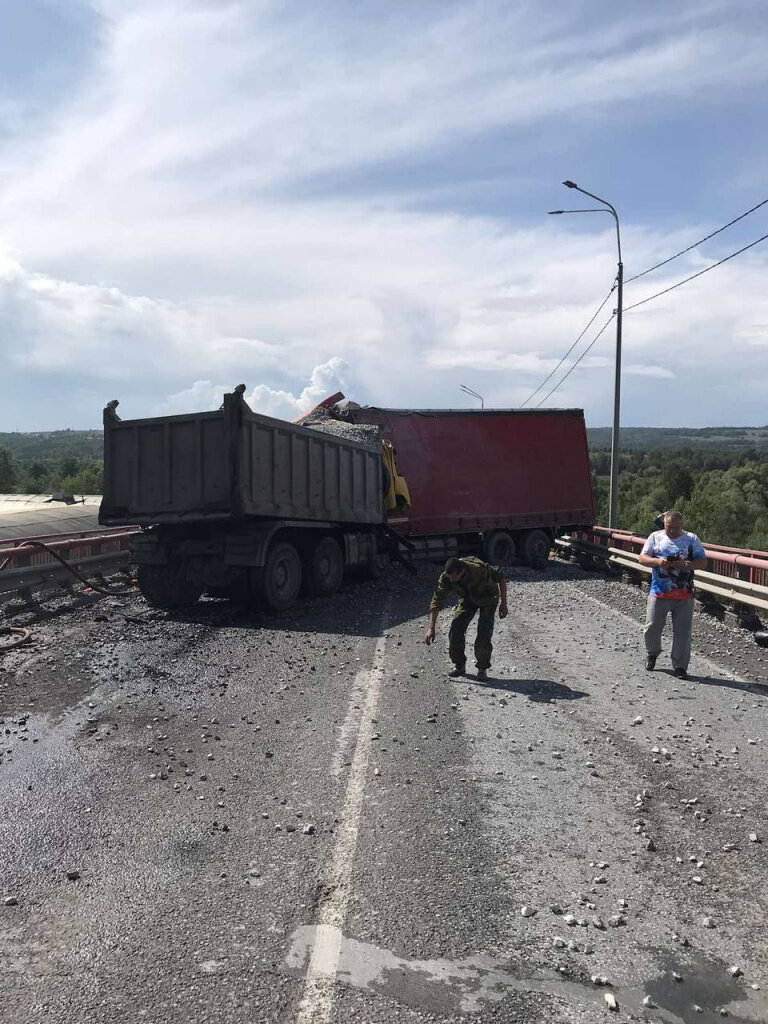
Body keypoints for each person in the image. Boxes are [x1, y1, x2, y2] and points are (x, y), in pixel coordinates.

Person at [638, 510, 707, 679]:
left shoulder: (692, 539)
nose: (672, 531)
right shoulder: (655, 537)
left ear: (682, 525)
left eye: (676, 528)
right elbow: (642, 558)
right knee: (652, 627)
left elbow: (703, 562)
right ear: (664, 524)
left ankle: (680, 666)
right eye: (669, 527)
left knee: (683, 632)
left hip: (685, 594)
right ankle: (652, 653)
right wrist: (659, 562)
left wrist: (685, 564)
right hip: (659, 592)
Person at [424, 555, 508, 681]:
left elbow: (500, 577)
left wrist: (503, 604)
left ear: (462, 572)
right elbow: (437, 600)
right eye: (449, 577)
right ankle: (459, 665)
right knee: (456, 629)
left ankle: (482, 668)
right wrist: (431, 628)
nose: (451, 580)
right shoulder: (447, 577)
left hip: (488, 599)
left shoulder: (480, 570)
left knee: (483, 634)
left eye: (454, 577)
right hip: (467, 600)